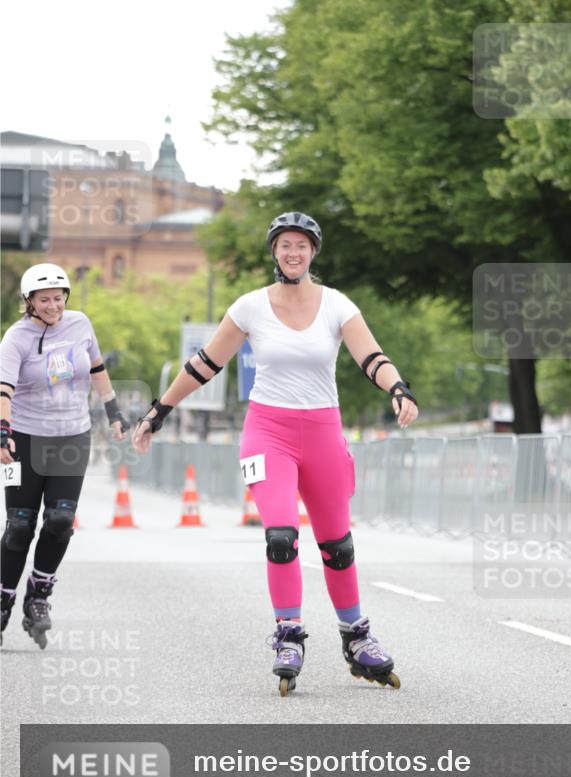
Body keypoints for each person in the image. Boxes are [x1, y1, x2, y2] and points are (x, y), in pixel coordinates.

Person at [132, 212, 418, 695]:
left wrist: (398, 388)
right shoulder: (250, 307)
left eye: (301, 245)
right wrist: (158, 411)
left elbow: (372, 356)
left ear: (313, 252)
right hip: (268, 433)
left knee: (337, 545)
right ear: (274, 251)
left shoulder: (336, 305)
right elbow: (205, 364)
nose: (293, 252)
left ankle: (355, 637)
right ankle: (289, 635)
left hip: (323, 433)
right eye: (285, 244)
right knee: (281, 536)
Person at [0, 264, 130, 647]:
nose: (53, 306)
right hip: (24, 439)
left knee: (60, 520)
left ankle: (38, 596)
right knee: (19, 525)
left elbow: (97, 367)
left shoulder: (79, 324)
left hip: (72, 437)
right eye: (44, 300)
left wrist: (113, 411)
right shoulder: (16, 338)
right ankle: (3, 599)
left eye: (58, 298)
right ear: (29, 302)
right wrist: (3, 432)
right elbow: (4, 390)